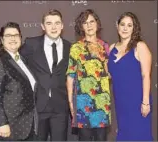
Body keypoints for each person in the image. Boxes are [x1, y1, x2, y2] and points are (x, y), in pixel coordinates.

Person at [19, 9, 71, 141]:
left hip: (60, 107)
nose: (53, 27)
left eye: (57, 23)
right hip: (37, 106)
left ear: (62, 25)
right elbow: (16, 63)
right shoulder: (31, 44)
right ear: (43, 26)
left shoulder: (70, 47)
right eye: (49, 23)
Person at [0, 22, 37, 141]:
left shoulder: (23, 60)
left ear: (21, 38)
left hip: (25, 125)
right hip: (8, 127)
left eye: (16, 35)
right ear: (2, 40)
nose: (13, 38)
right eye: (8, 35)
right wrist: (1, 123)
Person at [66, 9, 111, 141]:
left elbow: (109, 73)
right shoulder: (76, 47)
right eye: (85, 23)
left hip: (102, 103)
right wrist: (71, 103)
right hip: (82, 103)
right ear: (81, 27)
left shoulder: (105, 46)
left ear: (97, 24)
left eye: (92, 21)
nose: (89, 25)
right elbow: (70, 76)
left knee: (101, 139)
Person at [108, 12, 153, 141]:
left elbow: (146, 76)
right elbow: (109, 74)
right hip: (121, 102)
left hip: (137, 102)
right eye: (122, 24)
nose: (125, 28)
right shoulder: (112, 48)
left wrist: (145, 102)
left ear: (134, 28)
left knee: (138, 135)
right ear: (117, 26)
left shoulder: (140, 46)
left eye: (129, 25)